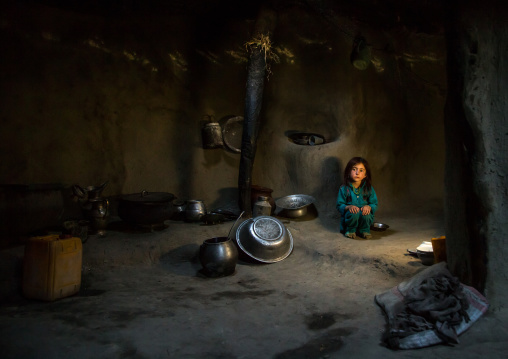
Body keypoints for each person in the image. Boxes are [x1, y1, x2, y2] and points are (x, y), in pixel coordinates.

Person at [336, 157, 378, 239]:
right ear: (348, 172)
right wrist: (349, 207)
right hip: (350, 218)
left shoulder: (369, 188)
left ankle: (364, 230)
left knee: (366, 213)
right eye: (354, 169)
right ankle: (350, 230)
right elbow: (339, 205)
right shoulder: (344, 188)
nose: (357, 173)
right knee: (353, 212)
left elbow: (374, 204)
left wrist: (369, 207)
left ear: (365, 175)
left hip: (364, 217)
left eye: (361, 170)